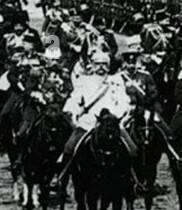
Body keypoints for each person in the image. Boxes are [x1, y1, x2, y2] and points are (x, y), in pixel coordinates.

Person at [58, 47, 139, 181]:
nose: (101, 67)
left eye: (104, 64)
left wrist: (117, 116)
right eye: (98, 64)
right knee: (69, 147)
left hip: (112, 122)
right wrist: (72, 112)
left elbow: (124, 101)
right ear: (92, 65)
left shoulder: (116, 80)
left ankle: (135, 181)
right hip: (90, 121)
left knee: (132, 149)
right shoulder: (83, 80)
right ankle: (62, 178)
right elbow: (75, 99)